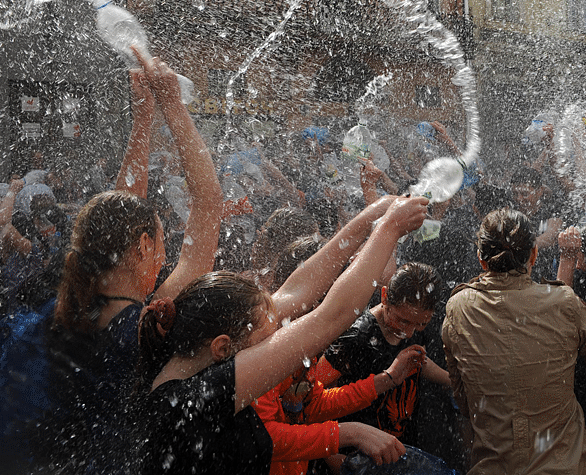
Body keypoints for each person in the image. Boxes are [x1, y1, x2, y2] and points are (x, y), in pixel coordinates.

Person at [0, 52, 225, 474]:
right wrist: (172, 106)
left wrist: (143, 121)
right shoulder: (144, 332)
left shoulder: (60, 293)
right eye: (160, 241)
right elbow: (209, 206)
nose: (165, 253)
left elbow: (117, 212)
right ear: (142, 246)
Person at [133, 195, 428, 475]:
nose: (278, 335)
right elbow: (331, 317)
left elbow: (297, 290)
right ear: (223, 347)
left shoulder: (185, 359)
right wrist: (391, 228)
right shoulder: (201, 395)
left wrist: (371, 216)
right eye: (266, 337)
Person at [442, 208, 586, 475]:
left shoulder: (459, 308)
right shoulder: (563, 303)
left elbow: (466, 403)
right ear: (534, 255)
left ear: (481, 259)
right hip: (568, 467)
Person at [323, 262, 452, 442]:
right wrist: (332, 455)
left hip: (398, 439)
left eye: (421, 324)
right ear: (384, 297)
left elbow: (418, 361)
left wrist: (453, 381)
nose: (409, 333)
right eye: (403, 321)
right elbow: (315, 392)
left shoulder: (413, 319)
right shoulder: (357, 338)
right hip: (356, 447)